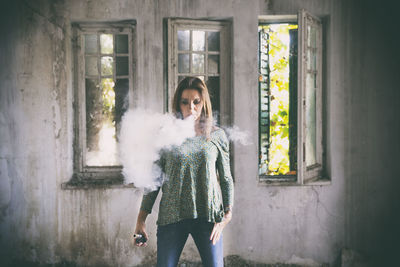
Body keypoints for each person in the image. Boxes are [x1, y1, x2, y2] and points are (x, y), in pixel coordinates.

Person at [133, 76, 234, 267]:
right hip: (172, 215)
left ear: (204, 103)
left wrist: (226, 216)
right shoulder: (166, 135)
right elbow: (154, 180)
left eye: (196, 102)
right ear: (178, 104)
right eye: (185, 102)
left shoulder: (217, 135)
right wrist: (141, 221)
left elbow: (226, 178)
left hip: (208, 215)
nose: (191, 108)